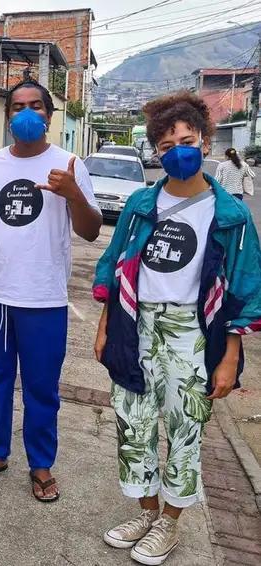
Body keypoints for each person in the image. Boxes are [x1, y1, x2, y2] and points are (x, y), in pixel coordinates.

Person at [93, 92, 261, 565]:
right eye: (167, 145)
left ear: (204, 141)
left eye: (187, 140)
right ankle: (146, 512)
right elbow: (116, 266)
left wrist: (229, 356)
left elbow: (244, 287)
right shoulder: (142, 203)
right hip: (135, 324)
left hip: (193, 332)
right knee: (133, 423)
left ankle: (169, 522)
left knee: (185, 428)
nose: (178, 150)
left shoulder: (231, 215)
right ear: (156, 152)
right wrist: (106, 325)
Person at [0, 80, 102, 500]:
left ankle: (41, 464)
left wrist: (73, 194)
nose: (25, 112)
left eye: (34, 105)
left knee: (42, 387)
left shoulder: (70, 164)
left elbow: (91, 232)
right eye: (17, 105)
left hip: (43, 299)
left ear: (49, 115)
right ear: (8, 115)